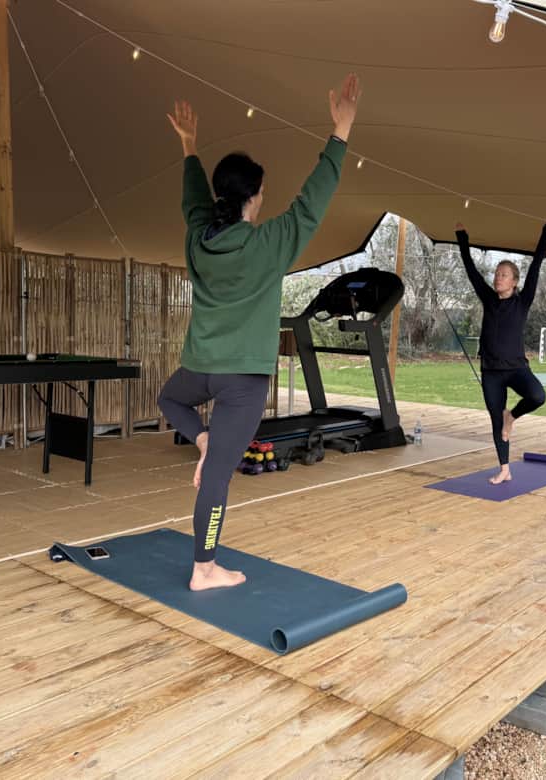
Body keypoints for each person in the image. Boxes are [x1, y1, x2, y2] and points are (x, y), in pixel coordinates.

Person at [158, 74, 362, 591]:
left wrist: (188, 148)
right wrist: (340, 134)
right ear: (253, 198)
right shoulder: (269, 243)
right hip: (243, 381)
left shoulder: (198, 239)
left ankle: (203, 441)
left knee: (170, 401)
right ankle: (204, 568)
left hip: (200, 368)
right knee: (218, 478)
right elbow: (312, 203)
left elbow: (192, 203)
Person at [456, 215, 546, 484]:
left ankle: (512, 415)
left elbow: (536, 263)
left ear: (514, 281)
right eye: (497, 274)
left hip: (516, 369)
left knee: (538, 395)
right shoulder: (488, 299)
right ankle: (504, 469)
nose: (497, 278)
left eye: (503, 275)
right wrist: (462, 238)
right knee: (495, 422)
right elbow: (470, 270)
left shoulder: (523, 301)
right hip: (491, 372)